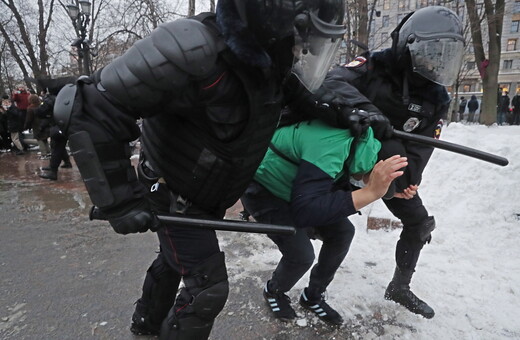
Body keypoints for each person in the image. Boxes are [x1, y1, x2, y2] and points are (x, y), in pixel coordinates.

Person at [53, 1, 348, 339]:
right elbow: (89, 105)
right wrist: (119, 200)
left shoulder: (270, 58)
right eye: (301, 37)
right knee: (207, 288)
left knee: (173, 259)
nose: (300, 49)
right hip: (171, 188)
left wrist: (345, 113)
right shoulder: (194, 47)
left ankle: (146, 325)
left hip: (207, 188)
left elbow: (296, 93)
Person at [301, 6, 465, 319]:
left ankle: (400, 287)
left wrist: (408, 179)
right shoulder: (375, 65)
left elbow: (422, 145)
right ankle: (313, 287)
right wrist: (368, 112)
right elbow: (327, 82)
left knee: (418, 223)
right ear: (409, 45)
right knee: (322, 222)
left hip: (391, 165)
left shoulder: (437, 97)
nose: (436, 63)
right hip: (344, 156)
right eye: (431, 54)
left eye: (444, 57)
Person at [241, 119, 408, 325]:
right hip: (265, 187)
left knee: (343, 233)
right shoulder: (332, 145)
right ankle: (274, 290)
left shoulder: (362, 147)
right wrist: (371, 191)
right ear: (374, 166)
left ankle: (313, 295)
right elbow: (307, 212)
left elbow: (343, 182)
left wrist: (397, 189)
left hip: (297, 186)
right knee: (300, 255)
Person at [38, 89, 72, 181]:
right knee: (59, 147)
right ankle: (63, 164)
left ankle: (53, 171)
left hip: (58, 125)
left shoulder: (50, 99)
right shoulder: (67, 97)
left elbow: (41, 111)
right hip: (63, 125)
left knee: (56, 148)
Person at [25, 94, 51, 158]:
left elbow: (29, 120)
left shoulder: (30, 108)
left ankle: (44, 153)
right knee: (44, 139)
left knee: (39, 139)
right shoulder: (42, 106)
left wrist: (26, 126)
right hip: (44, 124)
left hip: (36, 125)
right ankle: (49, 152)